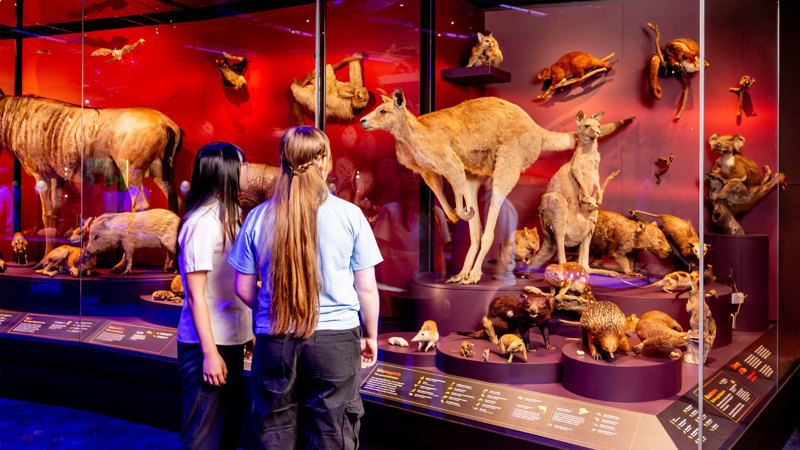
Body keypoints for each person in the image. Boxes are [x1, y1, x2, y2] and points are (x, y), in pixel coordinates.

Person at [229, 126, 381, 450]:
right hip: (337, 342)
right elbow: (367, 289)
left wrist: (268, 310)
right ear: (325, 162)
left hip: (275, 339)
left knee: (273, 432)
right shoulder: (351, 216)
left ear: (283, 161)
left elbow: (242, 287)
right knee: (333, 434)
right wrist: (370, 336)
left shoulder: (257, 218)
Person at [176, 142, 253, 449]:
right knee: (203, 434)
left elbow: (232, 283)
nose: (248, 170)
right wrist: (209, 353)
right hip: (206, 345)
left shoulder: (231, 215)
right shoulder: (202, 224)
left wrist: (248, 332)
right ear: (227, 173)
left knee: (228, 430)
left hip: (230, 341)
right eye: (243, 164)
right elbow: (196, 295)